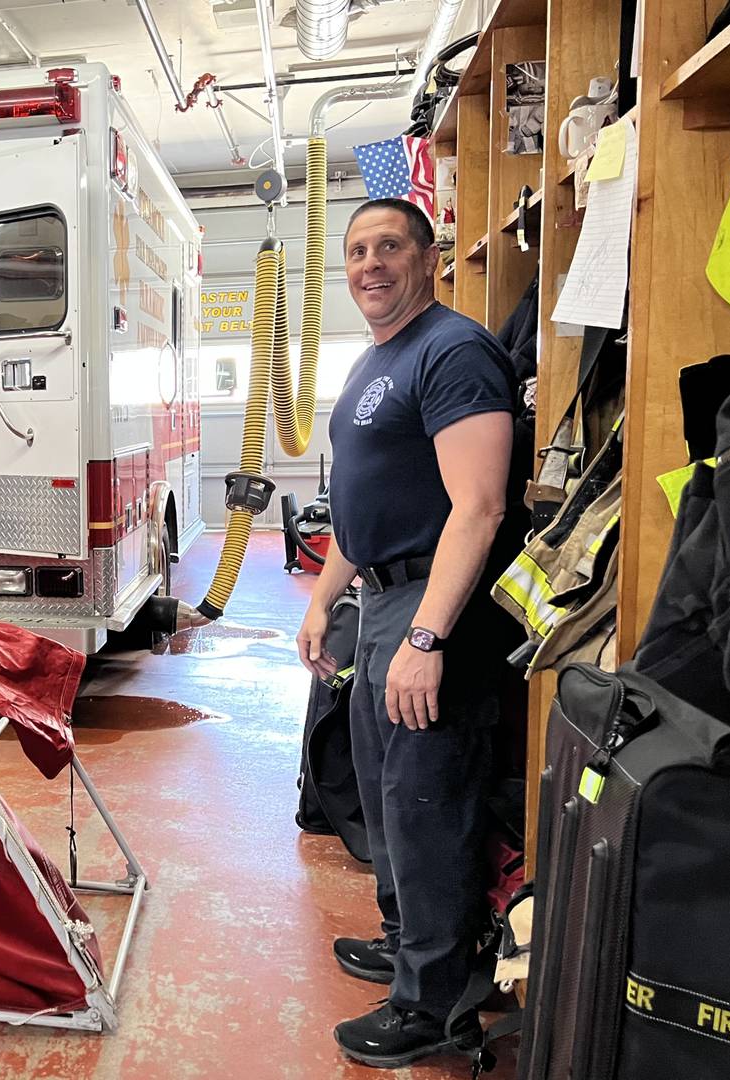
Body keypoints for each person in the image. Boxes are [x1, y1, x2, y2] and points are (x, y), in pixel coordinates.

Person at [297, 198, 518, 1069]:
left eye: (390, 246)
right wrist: (323, 601)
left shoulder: (454, 351)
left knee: (428, 803)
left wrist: (427, 641)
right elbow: (363, 504)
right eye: (356, 251)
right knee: (389, 794)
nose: (370, 264)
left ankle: (436, 1004)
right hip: (380, 602)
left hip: (435, 607)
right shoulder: (378, 360)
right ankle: (406, 944)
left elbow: (481, 504)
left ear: (430, 257)